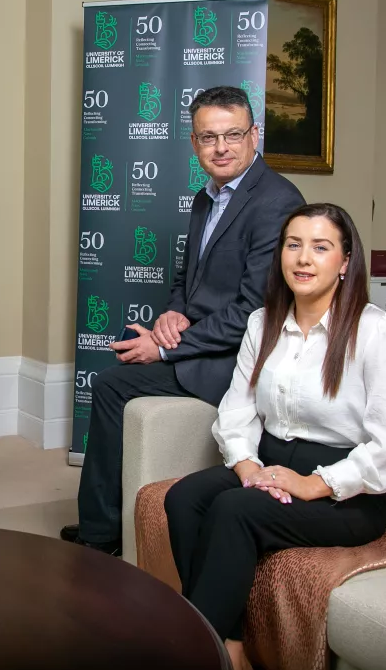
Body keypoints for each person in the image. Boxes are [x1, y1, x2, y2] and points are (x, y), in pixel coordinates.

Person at [164, 203, 386, 670]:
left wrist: (313, 484)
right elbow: (237, 409)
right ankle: (232, 652)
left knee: (235, 512)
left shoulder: (379, 332)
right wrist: (247, 469)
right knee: (184, 498)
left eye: (321, 247)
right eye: (293, 245)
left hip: (351, 492)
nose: (303, 258)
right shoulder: (263, 323)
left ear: (345, 262)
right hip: (273, 462)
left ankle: (197, 660)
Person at [62, 85, 305, 556]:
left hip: (239, 359)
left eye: (232, 134)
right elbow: (185, 278)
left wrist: (167, 346)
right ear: (194, 144)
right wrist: (174, 312)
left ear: (254, 135)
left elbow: (255, 313)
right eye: (208, 137)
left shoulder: (276, 201)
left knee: (113, 384)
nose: (221, 147)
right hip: (205, 341)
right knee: (121, 363)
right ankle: (102, 524)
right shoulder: (205, 198)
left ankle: (100, 535)